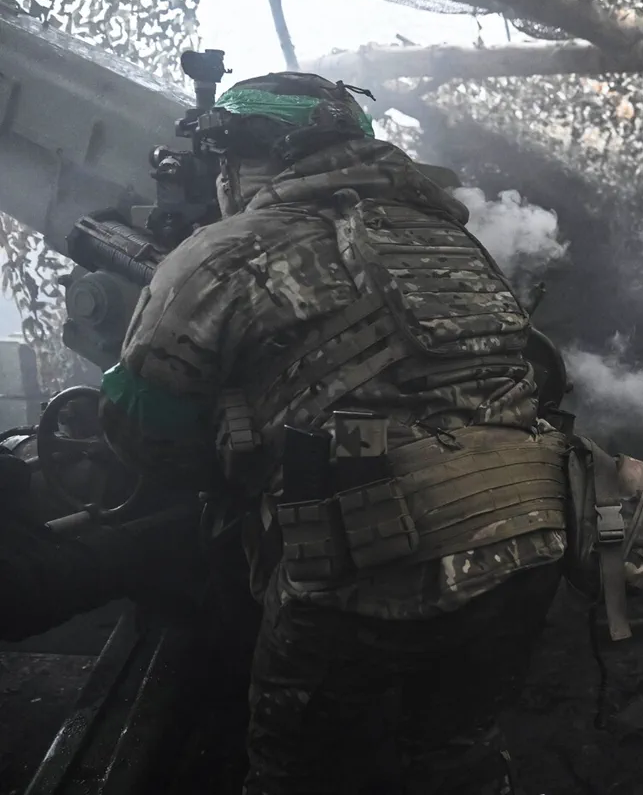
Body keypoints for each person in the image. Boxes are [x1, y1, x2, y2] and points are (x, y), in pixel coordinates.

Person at [99, 71, 569, 794]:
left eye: (223, 159)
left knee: (301, 775)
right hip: (527, 545)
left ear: (248, 159)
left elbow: (138, 429)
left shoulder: (223, 250)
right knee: (457, 755)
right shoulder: (454, 240)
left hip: (361, 576)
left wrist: (235, 452)